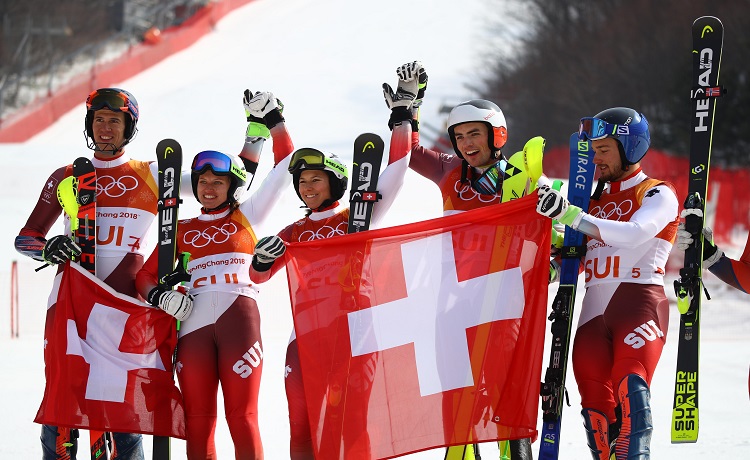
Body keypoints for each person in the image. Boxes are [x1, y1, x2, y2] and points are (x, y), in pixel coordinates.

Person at [247, 73, 414, 459]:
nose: (307, 187)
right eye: (302, 181)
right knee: (302, 428)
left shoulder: (359, 216)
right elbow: (257, 277)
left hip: (355, 334)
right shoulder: (293, 231)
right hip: (303, 339)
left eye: (316, 180)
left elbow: (399, 168)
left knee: (351, 427)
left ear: (335, 183)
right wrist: (262, 258)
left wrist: (403, 115)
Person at [134, 89, 294, 460]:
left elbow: (287, 167)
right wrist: (161, 296)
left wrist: (275, 123)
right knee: (198, 421)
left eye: (217, 182)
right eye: (202, 182)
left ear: (233, 187)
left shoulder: (248, 214)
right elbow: (143, 275)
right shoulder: (180, 227)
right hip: (192, 323)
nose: (208, 188)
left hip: (240, 318)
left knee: (243, 418)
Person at [390, 61, 537, 460]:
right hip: (453, 301)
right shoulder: (450, 171)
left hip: (503, 302)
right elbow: (408, 154)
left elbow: (548, 238)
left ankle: (516, 454)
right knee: (456, 390)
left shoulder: (522, 180)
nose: (467, 143)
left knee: (503, 388)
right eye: (459, 136)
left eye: (475, 133)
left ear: (497, 136)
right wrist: (407, 109)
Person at [15, 87, 155, 460]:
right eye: (99, 120)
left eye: (115, 121)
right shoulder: (66, 176)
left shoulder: (152, 174)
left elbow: (221, 189)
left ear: (129, 128)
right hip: (71, 303)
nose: (105, 128)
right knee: (63, 397)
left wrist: (259, 133)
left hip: (123, 309)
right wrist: (48, 247)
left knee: (123, 403)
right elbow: (25, 237)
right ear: (89, 126)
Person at [536, 107, 679, 460]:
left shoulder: (657, 193)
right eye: (593, 149)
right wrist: (551, 267)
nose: (595, 157)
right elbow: (576, 257)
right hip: (591, 317)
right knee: (598, 414)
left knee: (631, 391)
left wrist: (571, 215)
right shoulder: (591, 202)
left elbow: (634, 234)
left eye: (603, 149)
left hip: (638, 306)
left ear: (630, 147)